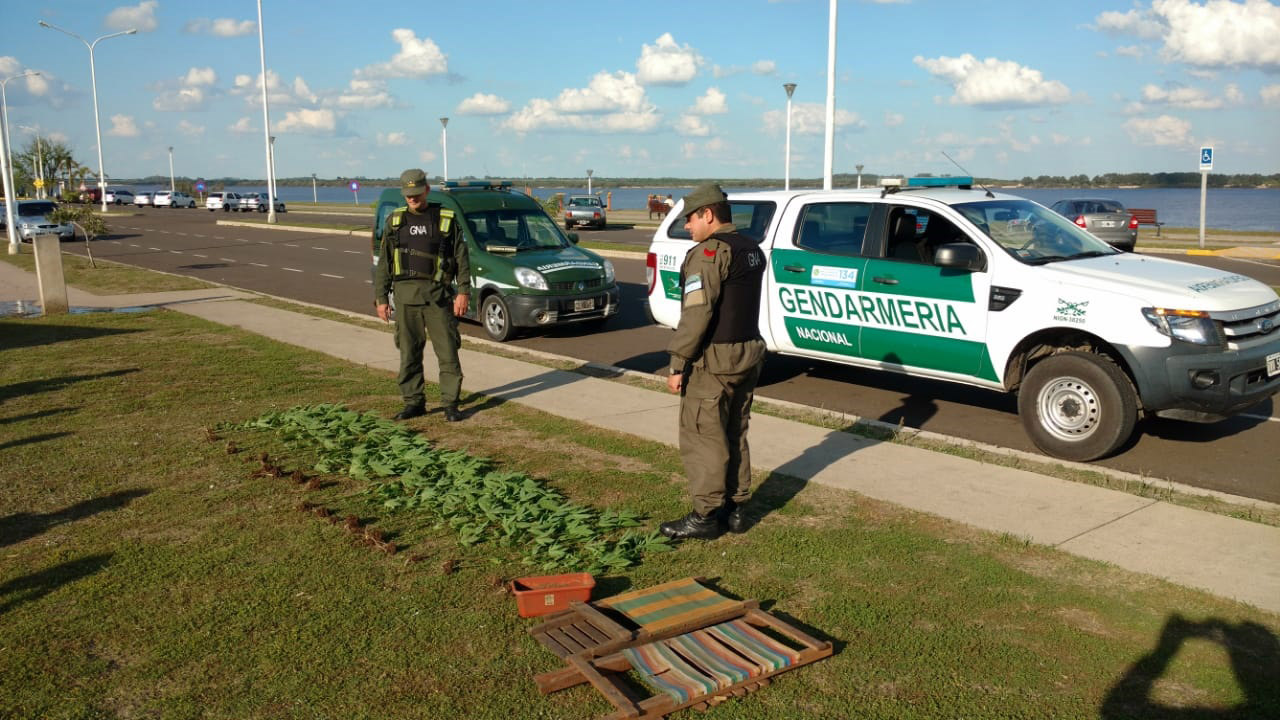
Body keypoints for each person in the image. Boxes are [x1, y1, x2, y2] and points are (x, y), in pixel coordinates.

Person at [660, 184, 767, 541]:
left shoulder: (708, 253)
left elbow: (697, 312)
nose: (687, 226)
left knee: (704, 434)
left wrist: (678, 363)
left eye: (689, 218)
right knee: (735, 430)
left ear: (708, 214)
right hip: (748, 352)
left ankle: (705, 515)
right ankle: (735, 509)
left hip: (715, 360)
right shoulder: (751, 248)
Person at [374, 169, 471, 422]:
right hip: (406, 298)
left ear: (426, 190)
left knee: (448, 352)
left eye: (416, 193)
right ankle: (414, 402)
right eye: (408, 195)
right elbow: (384, 263)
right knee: (409, 353)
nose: (412, 199)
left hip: (438, 297)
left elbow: (461, 257)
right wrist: (382, 298)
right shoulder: (395, 222)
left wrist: (463, 292)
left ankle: (450, 403)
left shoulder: (445, 218)